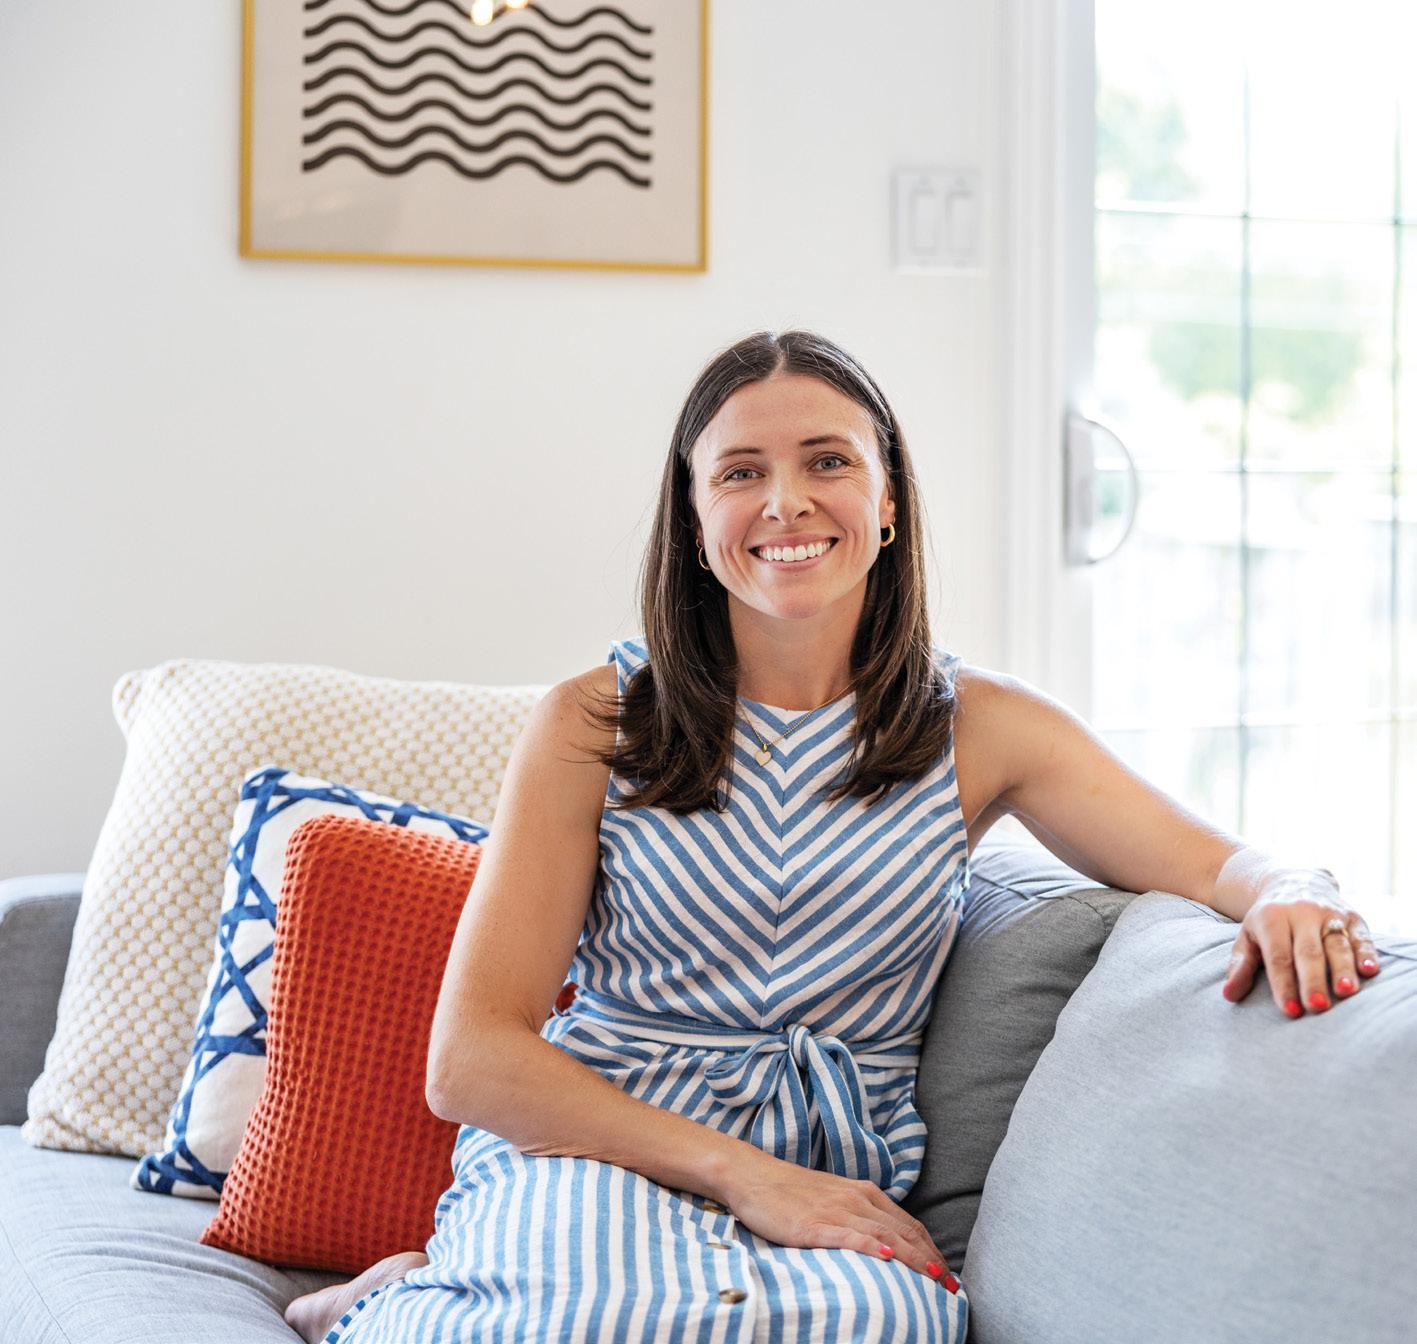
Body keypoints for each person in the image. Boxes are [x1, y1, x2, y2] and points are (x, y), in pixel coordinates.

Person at [285, 329, 1382, 1344]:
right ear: (694, 518)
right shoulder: (594, 720)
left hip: (835, 1175)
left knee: (885, 1324)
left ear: (886, 498)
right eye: (740, 472)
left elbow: (1210, 859)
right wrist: (745, 1176)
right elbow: (471, 1060)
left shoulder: (982, 726)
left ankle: (419, 1290)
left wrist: (1292, 885)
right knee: (599, 1311)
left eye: (827, 462)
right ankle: (394, 1297)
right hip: (602, 1145)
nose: (786, 502)